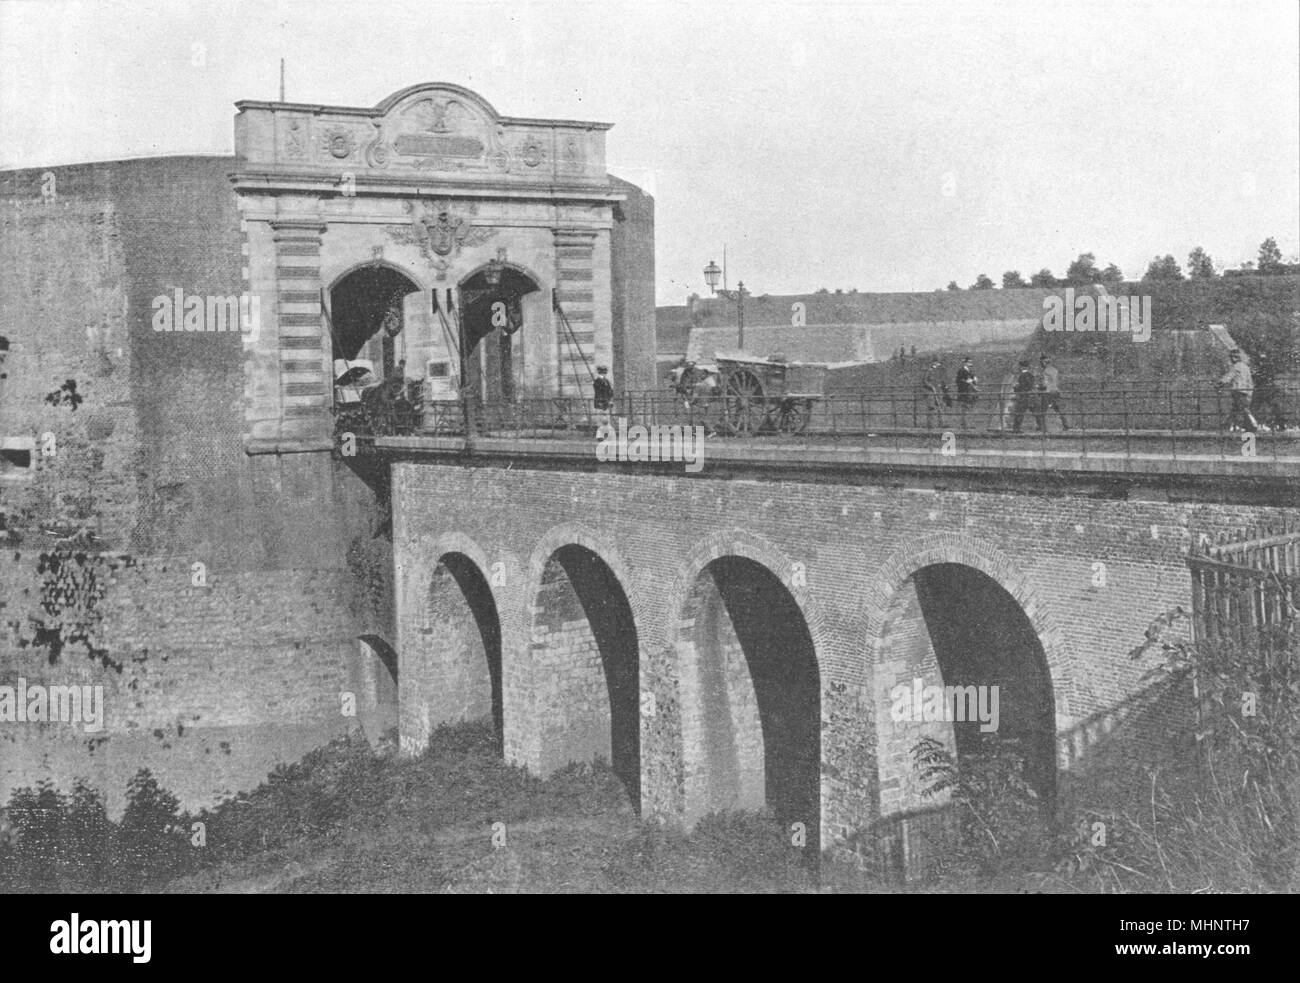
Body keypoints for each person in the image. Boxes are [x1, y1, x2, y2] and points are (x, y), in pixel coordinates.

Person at [1217, 349, 1257, 433]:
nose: (1231, 359)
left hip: (1238, 390)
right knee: (1237, 408)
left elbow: (1229, 377)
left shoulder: (1236, 366)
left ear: (1235, 358)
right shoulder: (1245, 366)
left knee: (1242, 409)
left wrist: (1220, 382)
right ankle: (1231, 425)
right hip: (1246, 390)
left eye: (1232, 357)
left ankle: (1252, 424)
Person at [1036, 354, 1069, 430]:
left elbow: (1045, 384)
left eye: (1041, 363)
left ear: (1044, 362)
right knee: (1059, 408)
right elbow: (1056, 382)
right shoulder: (1054, 370)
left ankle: (1041, 427)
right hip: (1055, 391)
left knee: (1042, 409)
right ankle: (1065, 424)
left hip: (1048, 392)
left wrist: (1038, 387)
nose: (1041, 364)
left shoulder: (1045, 371)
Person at [1011, 359, 1037, 433]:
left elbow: (1022, 386)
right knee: (1033, 411)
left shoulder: (1022, 375)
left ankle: (1016, 429)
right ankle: (1041, 427)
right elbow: (1030, 386)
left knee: (1019, 412)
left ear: (1022, 367)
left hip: (1022, 396)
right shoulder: (1031, 375)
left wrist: (1016, 388)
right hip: (1028, 395)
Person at [920, 358, 947, 428]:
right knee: (931, 408)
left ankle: (941, 424)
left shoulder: (937, 371)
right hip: (930, 393)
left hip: (937, 392)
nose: (938, 364)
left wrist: (941, 385)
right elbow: (925, 381)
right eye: (937, 363)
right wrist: (931, 386)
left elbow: (939, 380)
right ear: (934, 363)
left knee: (939, 407)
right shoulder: (929, 371)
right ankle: (931, 425)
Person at [955, 355, 979, 429]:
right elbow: (958, 381)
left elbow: (973, 377)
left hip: (970, 392)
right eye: (969, 362)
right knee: (964, 408)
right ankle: (965, 425)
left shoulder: (969, 371)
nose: (970, 364)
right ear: (965, 363)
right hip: (964, 392)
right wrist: (966, 382)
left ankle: (969, 424)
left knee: (969, 408)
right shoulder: (961, 371)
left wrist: (974, 379)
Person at [593, 365, 614, 430]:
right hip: (600, 402)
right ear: (600, 373)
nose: (604, 374)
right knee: (601, 417)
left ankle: (607, 430)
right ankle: (601, 431)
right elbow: (598, 393)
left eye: (605, 372)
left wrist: (610, 399)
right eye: (603, 373)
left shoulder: (606, 381)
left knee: (606, 417)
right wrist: (601, 402)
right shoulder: (597, 381)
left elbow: (610, 391)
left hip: (606, 402)